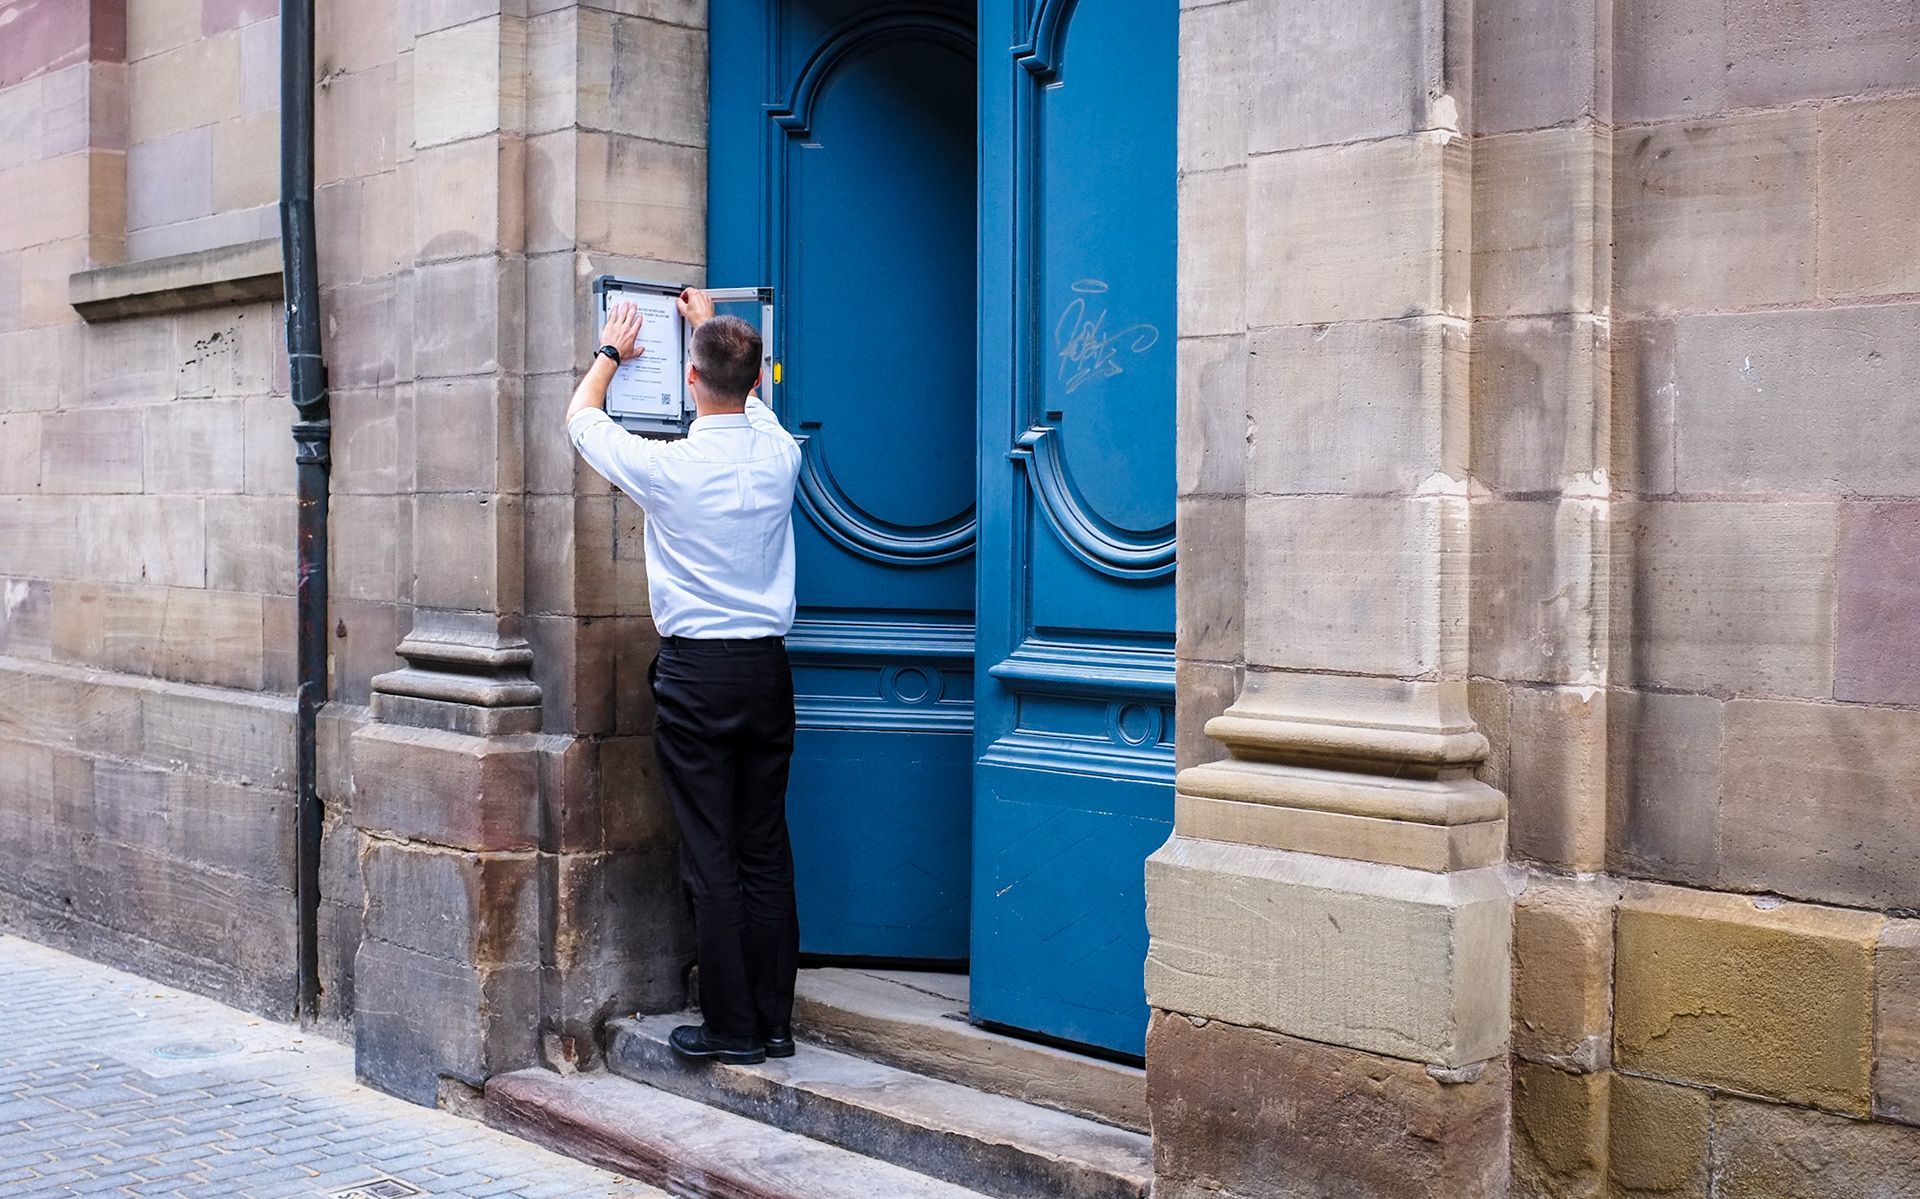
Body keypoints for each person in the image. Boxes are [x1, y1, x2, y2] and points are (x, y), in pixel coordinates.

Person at [566, 288, 803, 1066]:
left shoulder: (670, 468)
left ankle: (732, 1027)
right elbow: (748, 398)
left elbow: (581, 420)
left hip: (700, 673)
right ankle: (774, 1021)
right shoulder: (780, 452)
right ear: (751, 380)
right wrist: (705, 326)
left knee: (711, 851)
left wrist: (612, 351)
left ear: (692, 384)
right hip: (767, 671)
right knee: (765, 843)